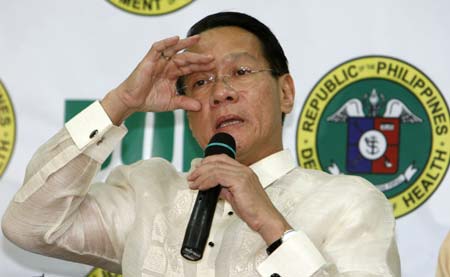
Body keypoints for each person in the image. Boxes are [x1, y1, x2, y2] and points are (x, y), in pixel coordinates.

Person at [2, 12, 400, 277]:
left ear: (286, 92)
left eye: (241, 72)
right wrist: (120, 102)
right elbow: (30, 226)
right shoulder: (149, 193)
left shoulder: (349, 203)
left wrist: (272, 225)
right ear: (186, 109)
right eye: (200, 83)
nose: (221, 92)